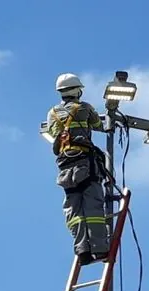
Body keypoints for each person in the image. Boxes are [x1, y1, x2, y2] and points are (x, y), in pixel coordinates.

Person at [46, 73, 110, 266]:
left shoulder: (52, 113)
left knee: (74, 211)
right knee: (93, 206)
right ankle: (100, 249)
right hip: (85, 163)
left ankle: (82, 251)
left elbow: (52, 133)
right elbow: (100, 125)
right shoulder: (84, 108)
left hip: (64, 167)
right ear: (77, 89)